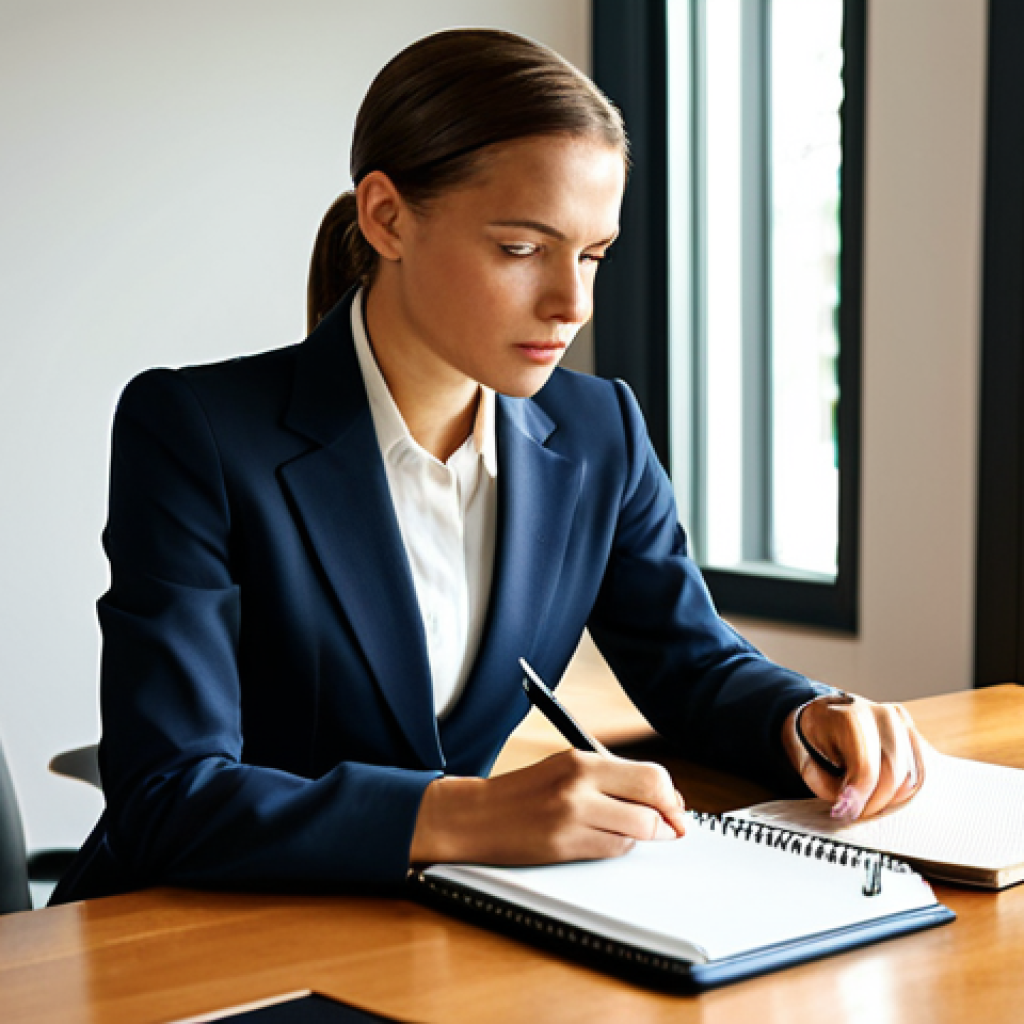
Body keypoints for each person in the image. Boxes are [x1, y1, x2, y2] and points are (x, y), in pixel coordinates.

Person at [53, 28, 924, 903]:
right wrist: (465, 816)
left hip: (442, 927)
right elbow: (167, 796)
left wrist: (806, 715)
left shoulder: (599, 430)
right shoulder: (195, 430)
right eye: (521, 249)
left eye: (593, 255)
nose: (571, 303)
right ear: (386, 217)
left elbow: (690, 665)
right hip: (195, 934)